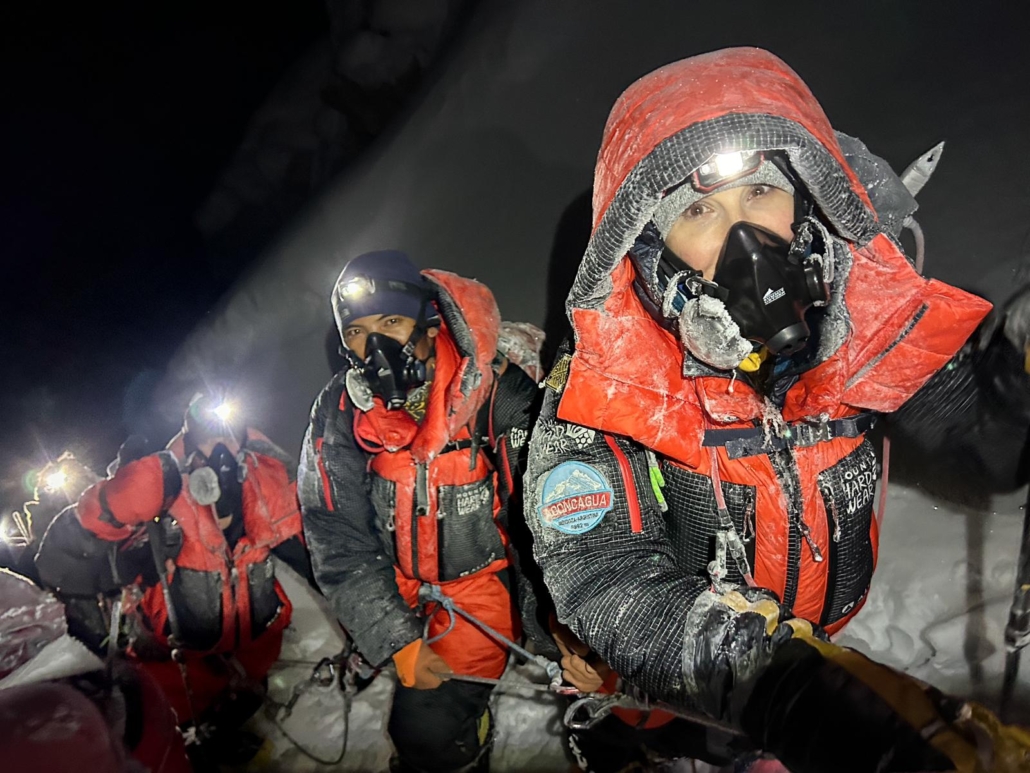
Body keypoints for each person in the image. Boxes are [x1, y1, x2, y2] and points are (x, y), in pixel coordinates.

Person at [525, 47, 1030, 772]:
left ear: (805, 196)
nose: (746, 239)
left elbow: (986, 438)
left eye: (761, 194)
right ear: (648, 246)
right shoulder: (603, 388)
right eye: (699, 210)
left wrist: (1013, 371)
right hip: (677, 710)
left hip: (816, 679)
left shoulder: (856, 326)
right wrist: (789, 687)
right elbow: (602, 573)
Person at [298, 250, 539, 773]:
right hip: (395, 579)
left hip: (478, 590)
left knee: (423, 730)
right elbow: (334, 527)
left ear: (429, 321)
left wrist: (554, 626)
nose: (376, 344)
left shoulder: (495, 391)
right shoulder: (342, 409)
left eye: (391, 321)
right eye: (358, 331)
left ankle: (464, 747)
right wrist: (393, 637)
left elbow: (541, 518)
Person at [72, 395, 310, 750]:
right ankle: (186, 736)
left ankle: (233, 705)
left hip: (251, 628)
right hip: (181, 641)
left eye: (229, 441)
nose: (221, 456)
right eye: (208, 443)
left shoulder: (267, 482)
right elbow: (99, 520)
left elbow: (308, 536)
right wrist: (124, 490)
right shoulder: (165, 492)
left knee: (248, 678)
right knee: (166, 697)